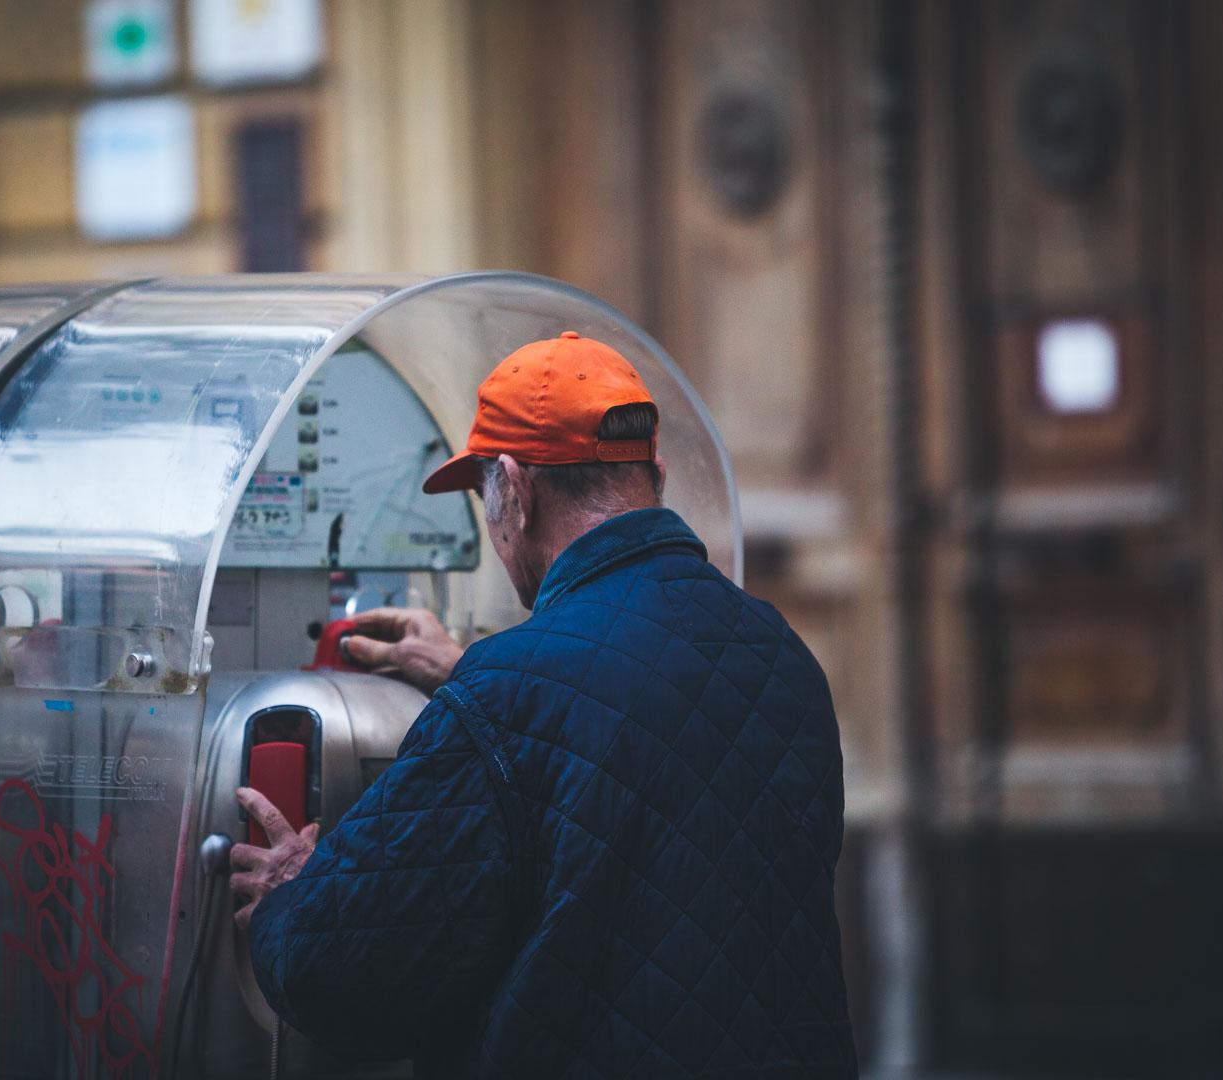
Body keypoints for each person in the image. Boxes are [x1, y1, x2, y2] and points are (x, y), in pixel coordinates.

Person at [231, 332, 856, 1077]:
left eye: (484, 502)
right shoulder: (779, 654)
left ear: (515, 491)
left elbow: (334, 975)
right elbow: (650, 754)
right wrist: (475, 675)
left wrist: (285, 896)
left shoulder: (506, 694)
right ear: (651, 473)